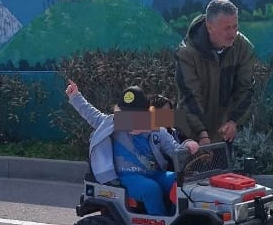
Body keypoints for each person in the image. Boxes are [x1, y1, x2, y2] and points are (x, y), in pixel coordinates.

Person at [65, 80, 198, 215]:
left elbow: (174, 149)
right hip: (127, 176)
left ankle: (181, 216)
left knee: (181, 181)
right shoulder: (113, 125)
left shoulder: (157, 130)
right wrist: (75, 97)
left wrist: (187, 144)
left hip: (155, 173)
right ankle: (160, 222)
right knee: (150, 189)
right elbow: (91, 114)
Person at [174, 0, 256, 147]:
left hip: (223, 133)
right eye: (227, 28)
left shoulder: (244, 47)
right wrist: (202, 133)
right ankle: (128, 120)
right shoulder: (186, 53)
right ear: (209, 27)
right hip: (190, 133)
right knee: (137, 120)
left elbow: (246, 88)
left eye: (235, 26)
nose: (232, 33)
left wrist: (234, 121)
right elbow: (190, 96)